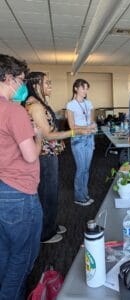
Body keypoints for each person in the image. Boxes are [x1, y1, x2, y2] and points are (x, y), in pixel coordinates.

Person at [24, 72, 89, 243]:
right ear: (35, 84)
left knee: (51, 192)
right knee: (47, 194)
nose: (50, 86)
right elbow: (49, 135)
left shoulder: (40, 103)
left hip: (50, 154)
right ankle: (46, 233)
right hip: (44, 156)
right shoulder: (35, 106)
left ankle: (50, 225)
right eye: (47, 83)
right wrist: (76, 131)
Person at [0, 54, 42, 299]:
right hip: (19, 192)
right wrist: (37, 136)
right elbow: (29, 156)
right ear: (7, 78)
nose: (22, 86)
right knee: (22, 257)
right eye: (20, 80)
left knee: (5, 252)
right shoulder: (13, 111)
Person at [66, 79, 97, 206]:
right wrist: (87, 127)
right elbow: (72, 126)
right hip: (78, 139)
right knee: (81, 169)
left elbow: (92, 120)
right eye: (83, 88)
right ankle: (79, 197)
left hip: (89, 137)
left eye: (87, 88)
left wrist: (92, 125)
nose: (85, 91)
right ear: (76, 89)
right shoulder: (71, 105)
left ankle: (84, 193)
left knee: (86, 169)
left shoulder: (88, 103)